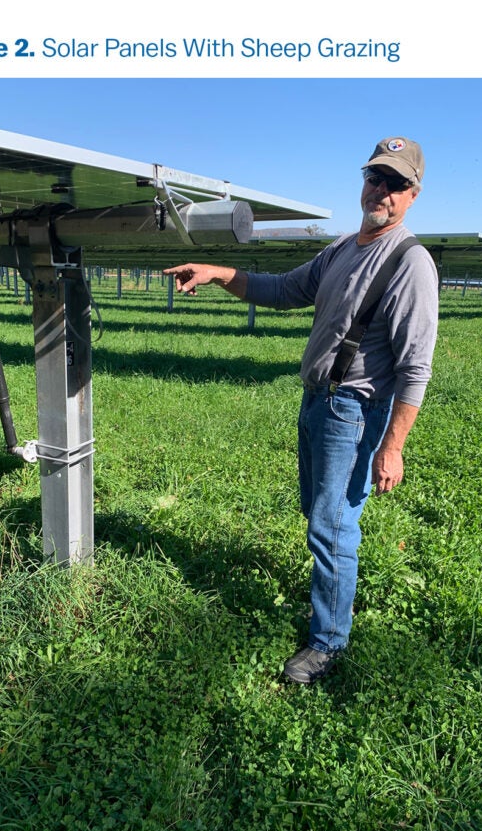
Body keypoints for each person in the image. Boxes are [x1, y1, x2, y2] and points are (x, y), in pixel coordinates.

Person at [165, 136, 439, 685]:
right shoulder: (343, 249)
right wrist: (219, 272)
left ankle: (328, 642)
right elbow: (285, 288)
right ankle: (330, 599)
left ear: (412, 194)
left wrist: (393, 447)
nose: (380, 191)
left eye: (394, 184)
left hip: (354, 411)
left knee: (334, 524)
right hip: (318, 401)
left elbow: (415, 367)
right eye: (373, 178)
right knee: (321, 515)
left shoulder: (410, 263)